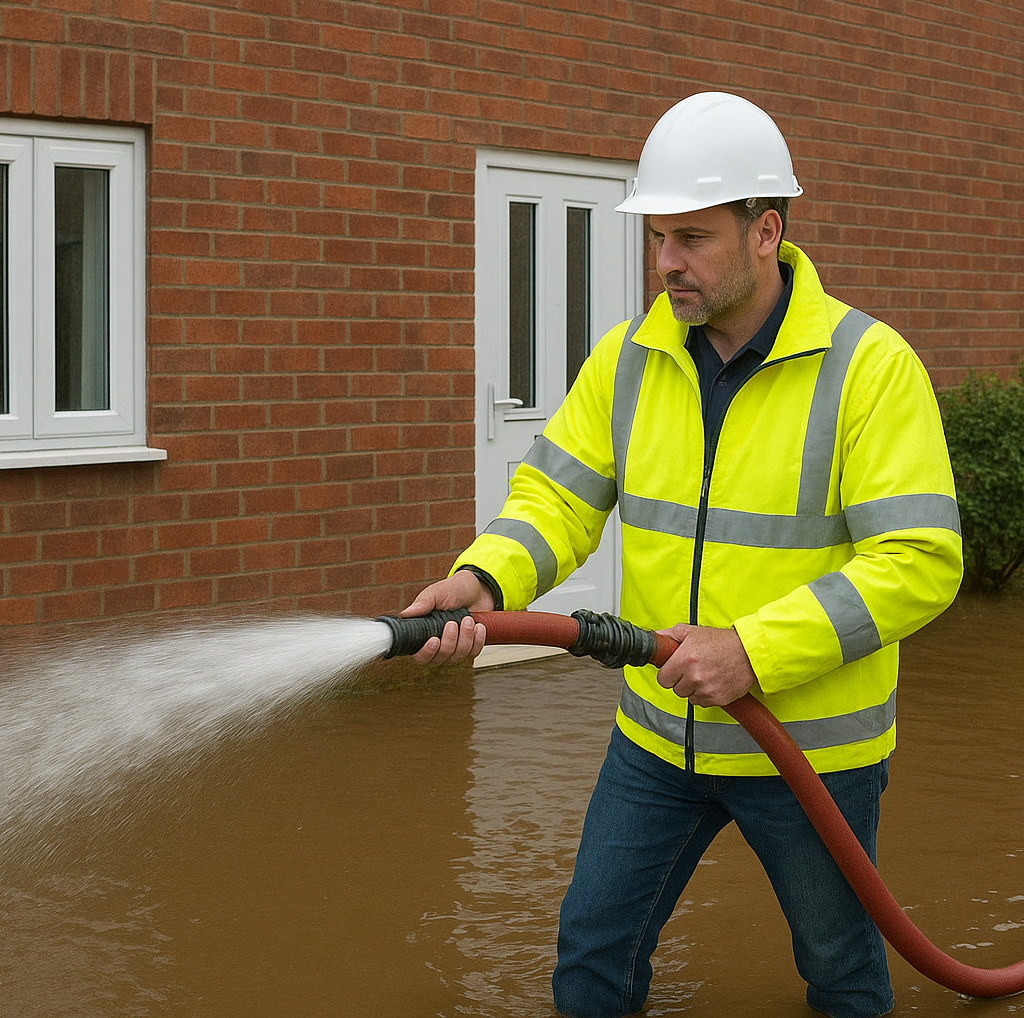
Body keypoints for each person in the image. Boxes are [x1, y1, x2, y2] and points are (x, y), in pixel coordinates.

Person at [401, 91, 963, 1018]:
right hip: (658, 737)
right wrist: (484, 578)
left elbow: (920, 560)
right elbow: (557, 500)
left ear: (765, 232)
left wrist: (752, 651)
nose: (665, 261)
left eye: (692, 238)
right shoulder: (629, 358)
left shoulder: (869, 368)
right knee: (592, 955)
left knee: (840, 971)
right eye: (658, 236)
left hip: (809, 755)